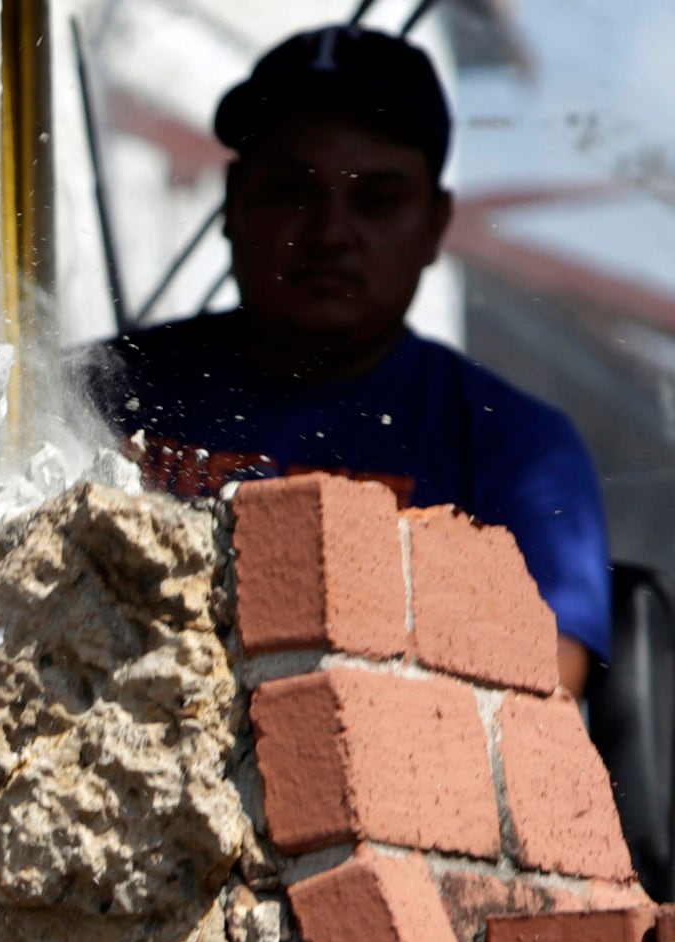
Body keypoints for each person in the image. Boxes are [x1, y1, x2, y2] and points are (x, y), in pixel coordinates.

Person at [95, 25, 609, 695]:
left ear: (434, 224)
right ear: (233, 201)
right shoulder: (99, 394)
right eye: (292, 191)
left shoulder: (516, 448)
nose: (331, 233)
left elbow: (548, 683)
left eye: (377, 200)